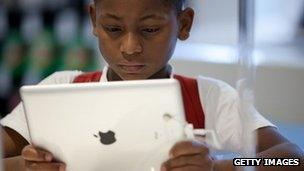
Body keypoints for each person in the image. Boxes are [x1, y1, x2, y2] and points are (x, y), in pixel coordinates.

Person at [1, 0, 303, 170]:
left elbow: (290, 159)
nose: (130, 47)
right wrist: (22, 167)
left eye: (150, 29)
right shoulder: (61, 89)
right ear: (94, 20)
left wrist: (221, 166)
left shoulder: (210, 97)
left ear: (183, 24)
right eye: (114, 29)